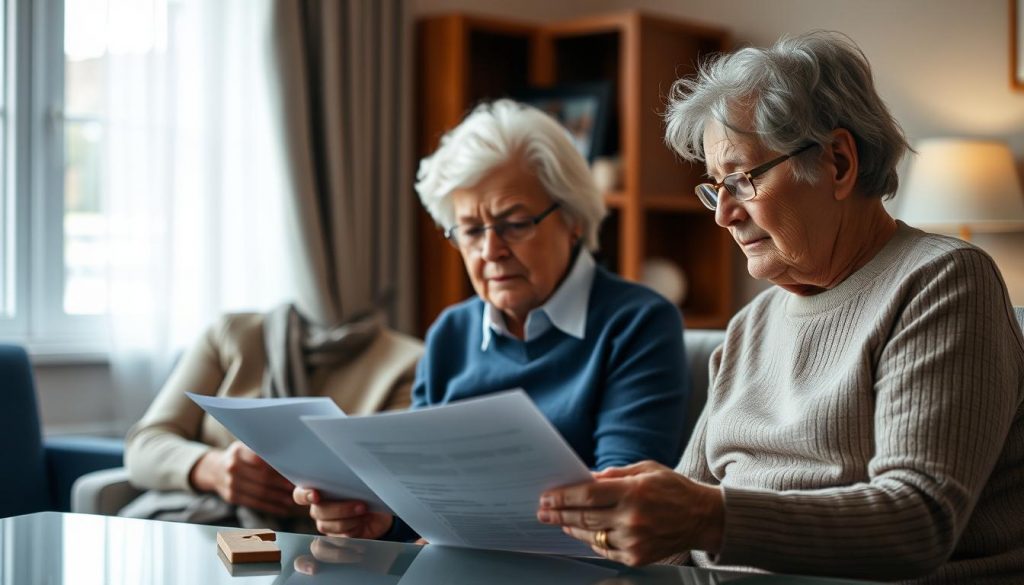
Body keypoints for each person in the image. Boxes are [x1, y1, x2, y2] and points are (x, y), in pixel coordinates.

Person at [536, 31, 1024, 583]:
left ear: (838, 162)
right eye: (714, 188)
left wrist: (704, 515)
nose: (723, 215)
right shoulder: (751, 326)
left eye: (742, 180)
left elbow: (918, 521)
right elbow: (678, 533)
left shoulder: (942, 282)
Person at [293, 99, 691, 540]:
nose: (490, 250)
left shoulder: (637, 324)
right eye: (470, 229)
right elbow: (421, 498)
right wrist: (379, 519)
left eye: (515, 223)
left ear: (574, 219)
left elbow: (622, 505)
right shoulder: (451, 333)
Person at [122, 305, 423, 531]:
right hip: (196, 529)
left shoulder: (408, 363)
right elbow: (143, 445)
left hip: (313, 550)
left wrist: (307, 495)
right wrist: (215, 469)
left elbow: (395, 495)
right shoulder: (233, 335)